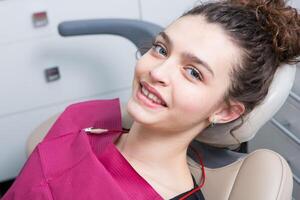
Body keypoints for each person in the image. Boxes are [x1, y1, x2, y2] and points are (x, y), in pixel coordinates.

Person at [2, 0, 300, 199]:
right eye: (161, 49)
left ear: (224, 111)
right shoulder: (85, 119)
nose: (157, 70)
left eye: (193, 73)